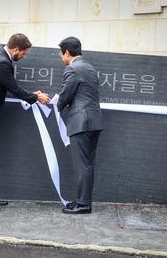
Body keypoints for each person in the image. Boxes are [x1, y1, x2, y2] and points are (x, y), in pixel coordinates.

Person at [0, 33, 50, 211]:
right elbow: (13, 88)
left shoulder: (0, 54)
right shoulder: (1, 62)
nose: (24, 56)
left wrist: (33, 95)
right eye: (24, 53)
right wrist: (37, 97)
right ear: (15, 49)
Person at [57, 37, 102, 214]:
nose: (61, 58)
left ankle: (83, 205)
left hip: (81, 122)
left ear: (67, 52)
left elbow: (66, 95)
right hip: (95, 121)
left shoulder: (72, 69)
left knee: (81, 164)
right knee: (88, 164)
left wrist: (55, 105)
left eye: (61, 54)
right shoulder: (90, 68)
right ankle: (84, 201)